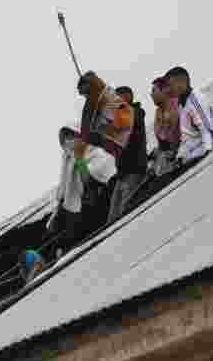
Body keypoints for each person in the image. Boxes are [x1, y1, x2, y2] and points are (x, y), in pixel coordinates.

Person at [47, 126, 116, 258]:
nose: (68, 142)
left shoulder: (96, 153)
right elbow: (65, 192)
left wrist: (79, 159)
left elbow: (93, 178)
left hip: (101, 200)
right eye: (65, 140)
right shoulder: (69, 162)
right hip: (84, 207)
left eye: (71, 136)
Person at [107, 86, 148, 223]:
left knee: (125, 213)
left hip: (134, 170)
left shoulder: (137, 113)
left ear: (128, 97)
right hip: (122, 174)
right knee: (112, 216)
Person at [165, 66, 213, 166]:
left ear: (182, 83)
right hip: (187, 154)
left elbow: (210, 134)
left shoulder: (196, 101)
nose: (168, 90)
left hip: (196, 155)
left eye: (170, 86)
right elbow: (188, 136)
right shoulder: (181, 104)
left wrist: (196, 156)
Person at [77, 71, 134, 163]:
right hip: (107, 149)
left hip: (116, 149)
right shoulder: (93, 102)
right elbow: (86, 130)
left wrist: (103, 127)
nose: (85, 96)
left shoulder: (107, 97)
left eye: (85, 93)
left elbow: (124, 121)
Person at [151, 77, 181, 176]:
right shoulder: (158, 112)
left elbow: (175, 134)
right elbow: (161, 138)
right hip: (169, 153)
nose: (151, 95)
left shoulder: (178, 104)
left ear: (165, 90)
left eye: (154, 91)